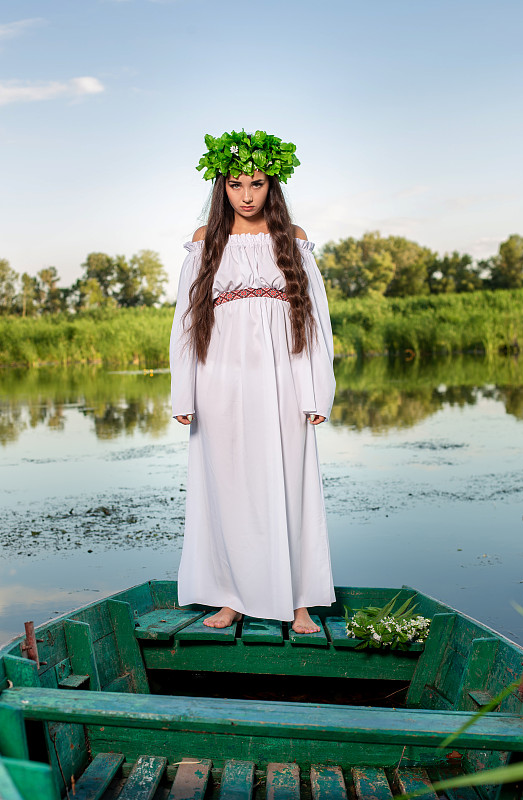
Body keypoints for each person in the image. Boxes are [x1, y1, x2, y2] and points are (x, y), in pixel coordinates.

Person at [169, 129, 336, 634]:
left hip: (284, 377)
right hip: (220, 378)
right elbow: (184, 321)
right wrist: (185, 392)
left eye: (257, 184)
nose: (246, 195)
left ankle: (299, 599)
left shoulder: (294, 240)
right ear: (222, 187)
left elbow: (315, 320)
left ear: (272, 186)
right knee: (228, 485)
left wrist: (317, 390)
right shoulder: (204, 243)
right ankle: (232, 595)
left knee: (292, 480)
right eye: (236, 184)